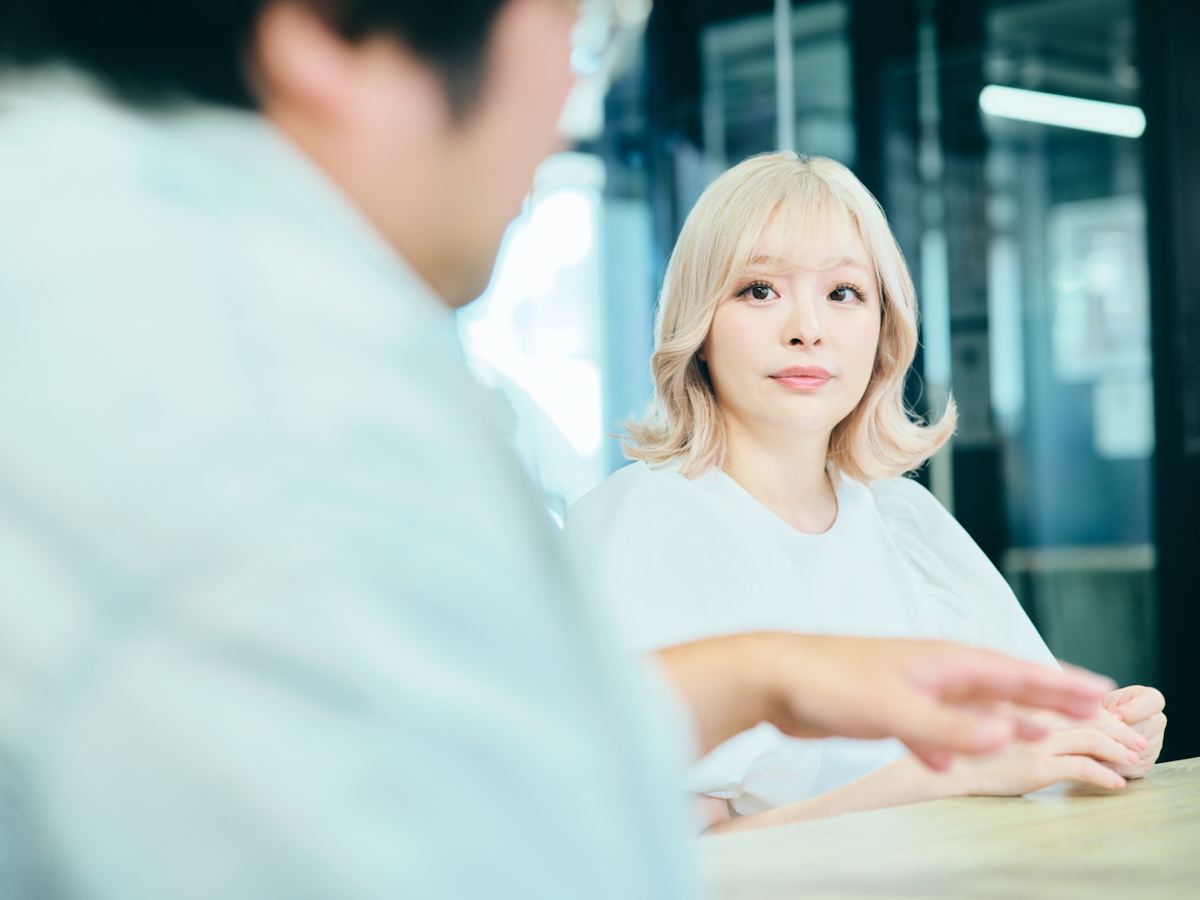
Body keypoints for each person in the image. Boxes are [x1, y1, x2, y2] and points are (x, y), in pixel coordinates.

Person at [0, 2, 1119, 897]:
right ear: (329, 29)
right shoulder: (290, 426)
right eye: (574, 40)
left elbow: (466, 751)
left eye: (844, 295)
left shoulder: (117, 276)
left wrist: (756, 675)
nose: (565, 116)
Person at [565, 152, 1167, 834]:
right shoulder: (639, 530)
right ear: (698, 324)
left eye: (843, 293)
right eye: (759, 289)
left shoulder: (904, 519)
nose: (806, 328)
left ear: (885, 327)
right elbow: (673, 861)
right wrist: (945, 779)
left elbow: (1019, 722)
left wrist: (1103, 731)